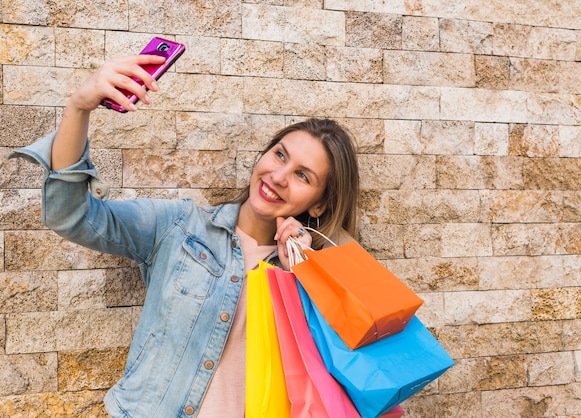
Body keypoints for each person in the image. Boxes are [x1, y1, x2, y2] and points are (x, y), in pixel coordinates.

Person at [10, 54, 360, 417]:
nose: (279, 176)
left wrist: (302, 273)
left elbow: (334, 376)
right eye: (279, 155)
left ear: (319, 205)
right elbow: (74, 217)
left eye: (304, 176)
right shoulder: (180, 225)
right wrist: (78, 108)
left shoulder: (319, 275)